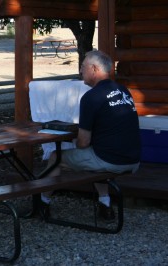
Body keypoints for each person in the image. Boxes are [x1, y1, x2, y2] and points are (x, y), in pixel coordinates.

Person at [40, 50, 141, 220]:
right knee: (95, 154)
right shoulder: (123, 90)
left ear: (94, 69)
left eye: (83, 67)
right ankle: (105, 204)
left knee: (55, 157)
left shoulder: (91, 97)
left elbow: (83, 143)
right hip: (133, 160)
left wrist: (75, 138)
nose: (80, 71)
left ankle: (42, 203)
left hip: (111, 161)